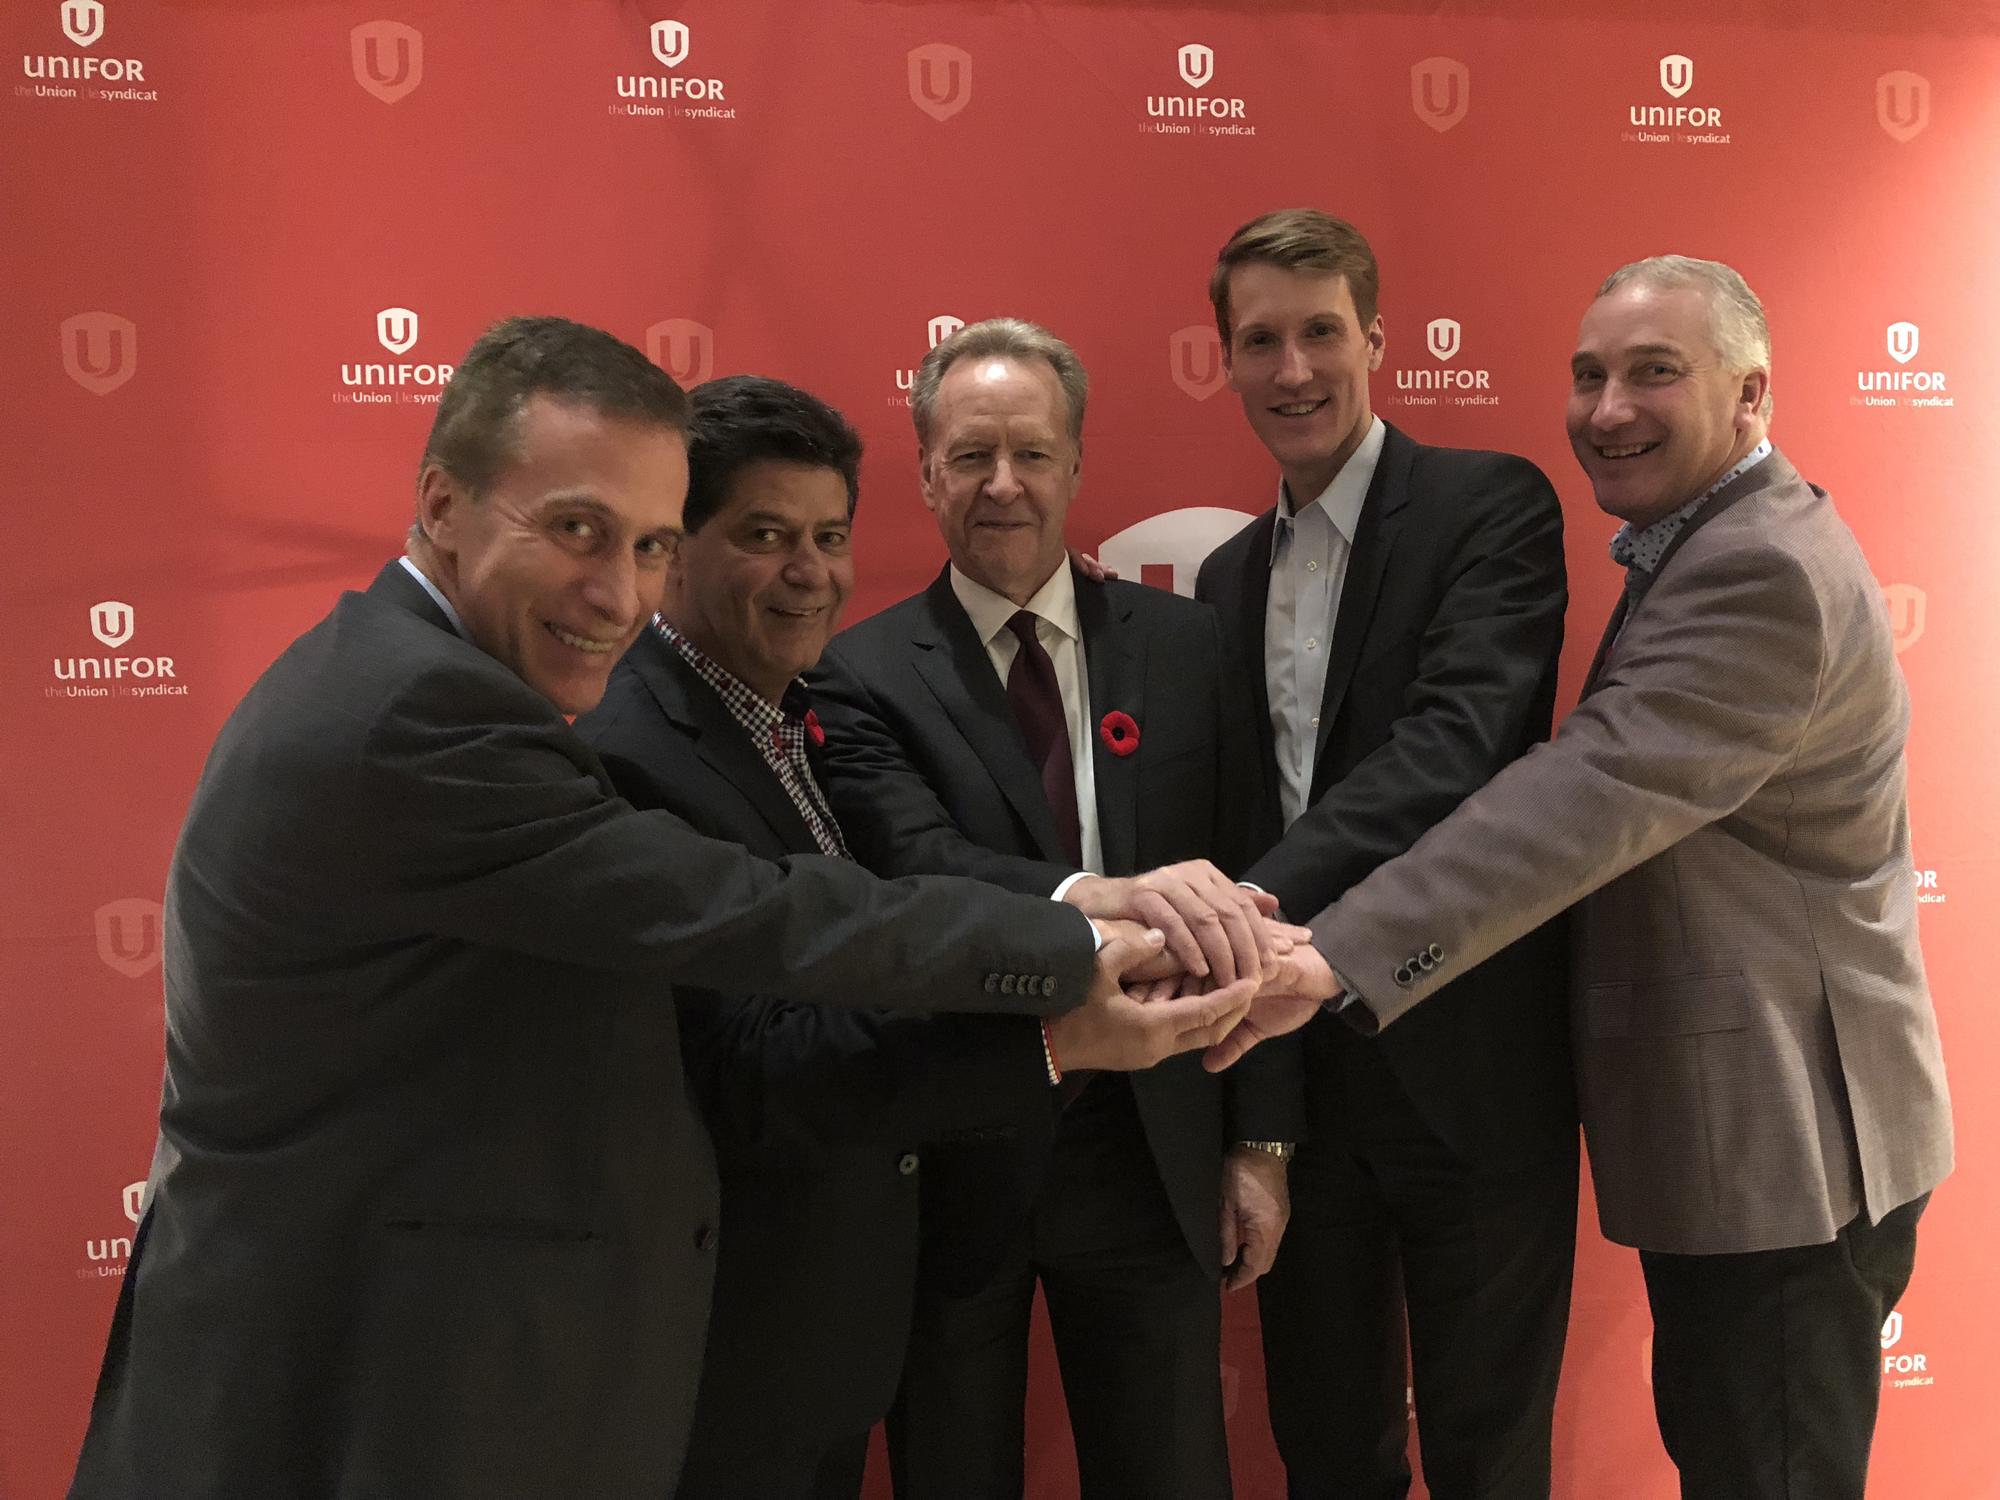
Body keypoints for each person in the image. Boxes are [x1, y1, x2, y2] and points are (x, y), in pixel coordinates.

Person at [67, 317, 1260, 1500]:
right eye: (575, 530)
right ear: (441, 503)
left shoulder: (485, 686)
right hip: (342, 1382)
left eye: (643, 543)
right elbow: (759, 918)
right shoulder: (423, 715)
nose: (616, 592)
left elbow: (883, 881)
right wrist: (1080, 959)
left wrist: (1096, 920)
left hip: (448, 1357)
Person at [1211, 256, 1955, 1500]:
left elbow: (1581, 795)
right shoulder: (1703, 545)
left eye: (1653, 372)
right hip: (1753, 1150)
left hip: (1791, 1148)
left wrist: (1328, 951)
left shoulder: (1757, 566)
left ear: (1750, 392)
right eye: (1588, 374)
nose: (1607, 408)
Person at [577, 374, 1132, 1497]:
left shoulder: (803, 703)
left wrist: (1109, 910)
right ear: (671, 549)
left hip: (829, 1333)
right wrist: (1052, 1039)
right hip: (718, 1350)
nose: (811, 572)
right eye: (765, 536)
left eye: (829, 537)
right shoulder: (629, 753)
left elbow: (921, 878)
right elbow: (748, 1069)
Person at [809, 318, 1306, 1500]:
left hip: (1153, 1141)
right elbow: (915, 865)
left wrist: (1261, 1142)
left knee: (1170, 1472)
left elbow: (1257, 882)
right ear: (925, 473)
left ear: (1075, 463)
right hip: (958, 1141)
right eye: (970, 456)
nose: (1002, 485)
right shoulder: (856, 673)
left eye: (1030, 453)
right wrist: (1094, 897)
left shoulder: (1189, 647)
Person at [1194, 209, 1577, 1499]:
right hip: (1301, 1086)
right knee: (1326, 1451)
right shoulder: (1225, 579)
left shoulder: (1487, 505)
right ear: (1224, 360)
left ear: (1375, 339)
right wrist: (1256, 1121)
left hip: (1472, 1068)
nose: (1293, 369)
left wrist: (1249, 903)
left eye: (1319, 332)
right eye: (1260, 341)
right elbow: (1236, 804)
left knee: (1487, 1455)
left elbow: (1452, 747)